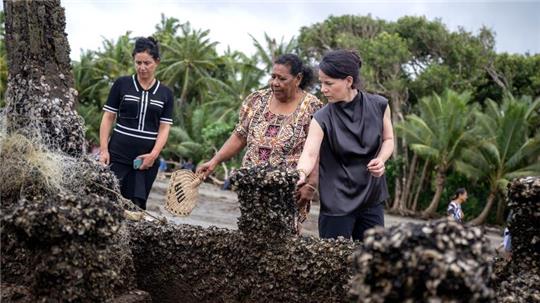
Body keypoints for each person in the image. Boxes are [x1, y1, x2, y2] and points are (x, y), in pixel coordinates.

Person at [197, 54, 323, 226]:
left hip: (289, 189)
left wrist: (311, 184)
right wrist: (214, 161)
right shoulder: (257, 100)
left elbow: (316, 150)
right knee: (251, 238)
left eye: (282, 78)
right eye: (273, 77)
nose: (275, 83)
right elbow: (239, 136)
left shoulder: (312, 107)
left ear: (298, 78)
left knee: (284, 243)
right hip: (252, 186)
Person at [296, 50, 394, 241]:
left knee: (372, 260)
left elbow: (388, 140)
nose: (323, 89)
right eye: (321, 83)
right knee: (331, 265)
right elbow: (309, 154)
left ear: (349, 81)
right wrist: (300, 173)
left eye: (329, 83)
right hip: (336, 203)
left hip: (371, 199)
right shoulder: (321, 117)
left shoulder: (380, 105)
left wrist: (381, 160)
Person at [99, 36, 174, 210]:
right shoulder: (122, 84)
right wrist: (104, 150)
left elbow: (164, 127)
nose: (142, 67)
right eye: (138, 62)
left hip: (145, 161)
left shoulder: (166, 93)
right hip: (117, 155)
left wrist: (153, 155)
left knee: (136, 207)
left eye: (147, 63)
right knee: (108, 204)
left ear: (157, 62)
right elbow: (108, 117)